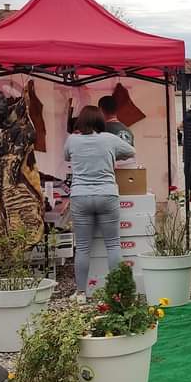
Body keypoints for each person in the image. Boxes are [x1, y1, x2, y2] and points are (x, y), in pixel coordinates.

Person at [64, 106, 136, 299]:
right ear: (100, 122)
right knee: (113, 245)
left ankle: (80, 293)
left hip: (80, 196)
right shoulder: (109, 139)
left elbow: (66, 156)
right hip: (107, 195)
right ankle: (117, 292)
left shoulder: (72, 140)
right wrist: (113, 155)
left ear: (80, 122)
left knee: (83, 247)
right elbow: (131, 152)